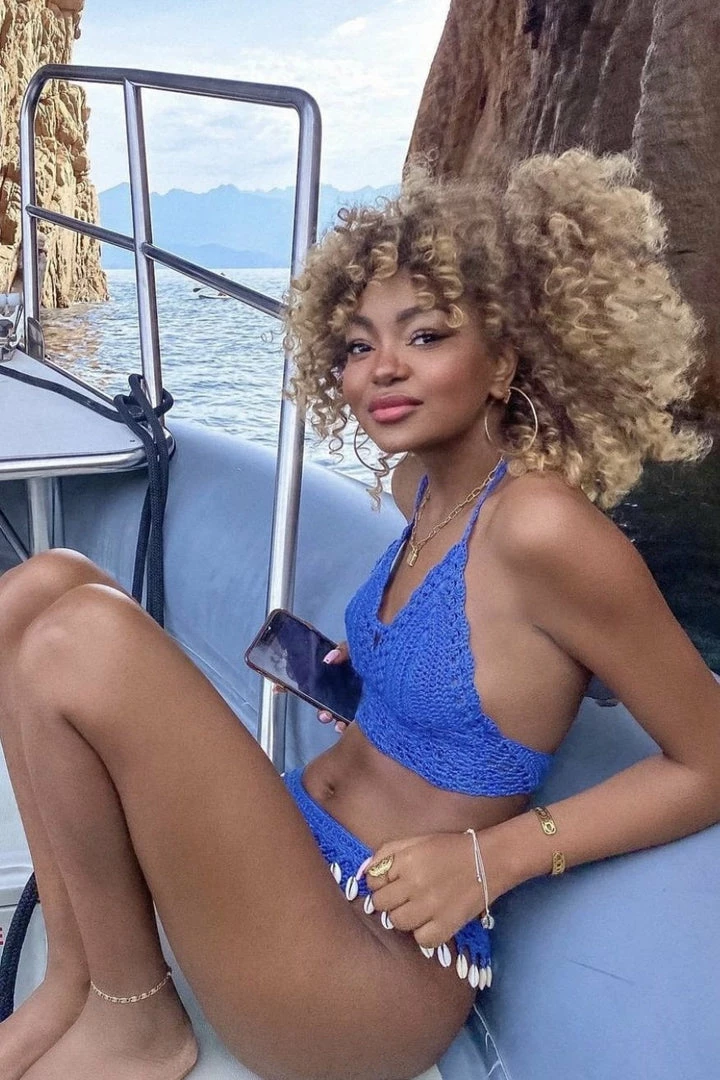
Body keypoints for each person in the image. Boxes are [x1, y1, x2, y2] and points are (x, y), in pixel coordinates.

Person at [1, 148, 719, 1080]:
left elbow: (710, 757)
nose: (382, 368)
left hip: (374, 964)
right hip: (306, 854)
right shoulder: (424, 486)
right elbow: (486, 654)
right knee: (41, 583)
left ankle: (134, 1019)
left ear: (503, 359)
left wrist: (494, 858)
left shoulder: (542, 527)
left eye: (425, 336)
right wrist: (373, 671)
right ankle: (77, 980)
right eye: (355, 345)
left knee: (83, 639)